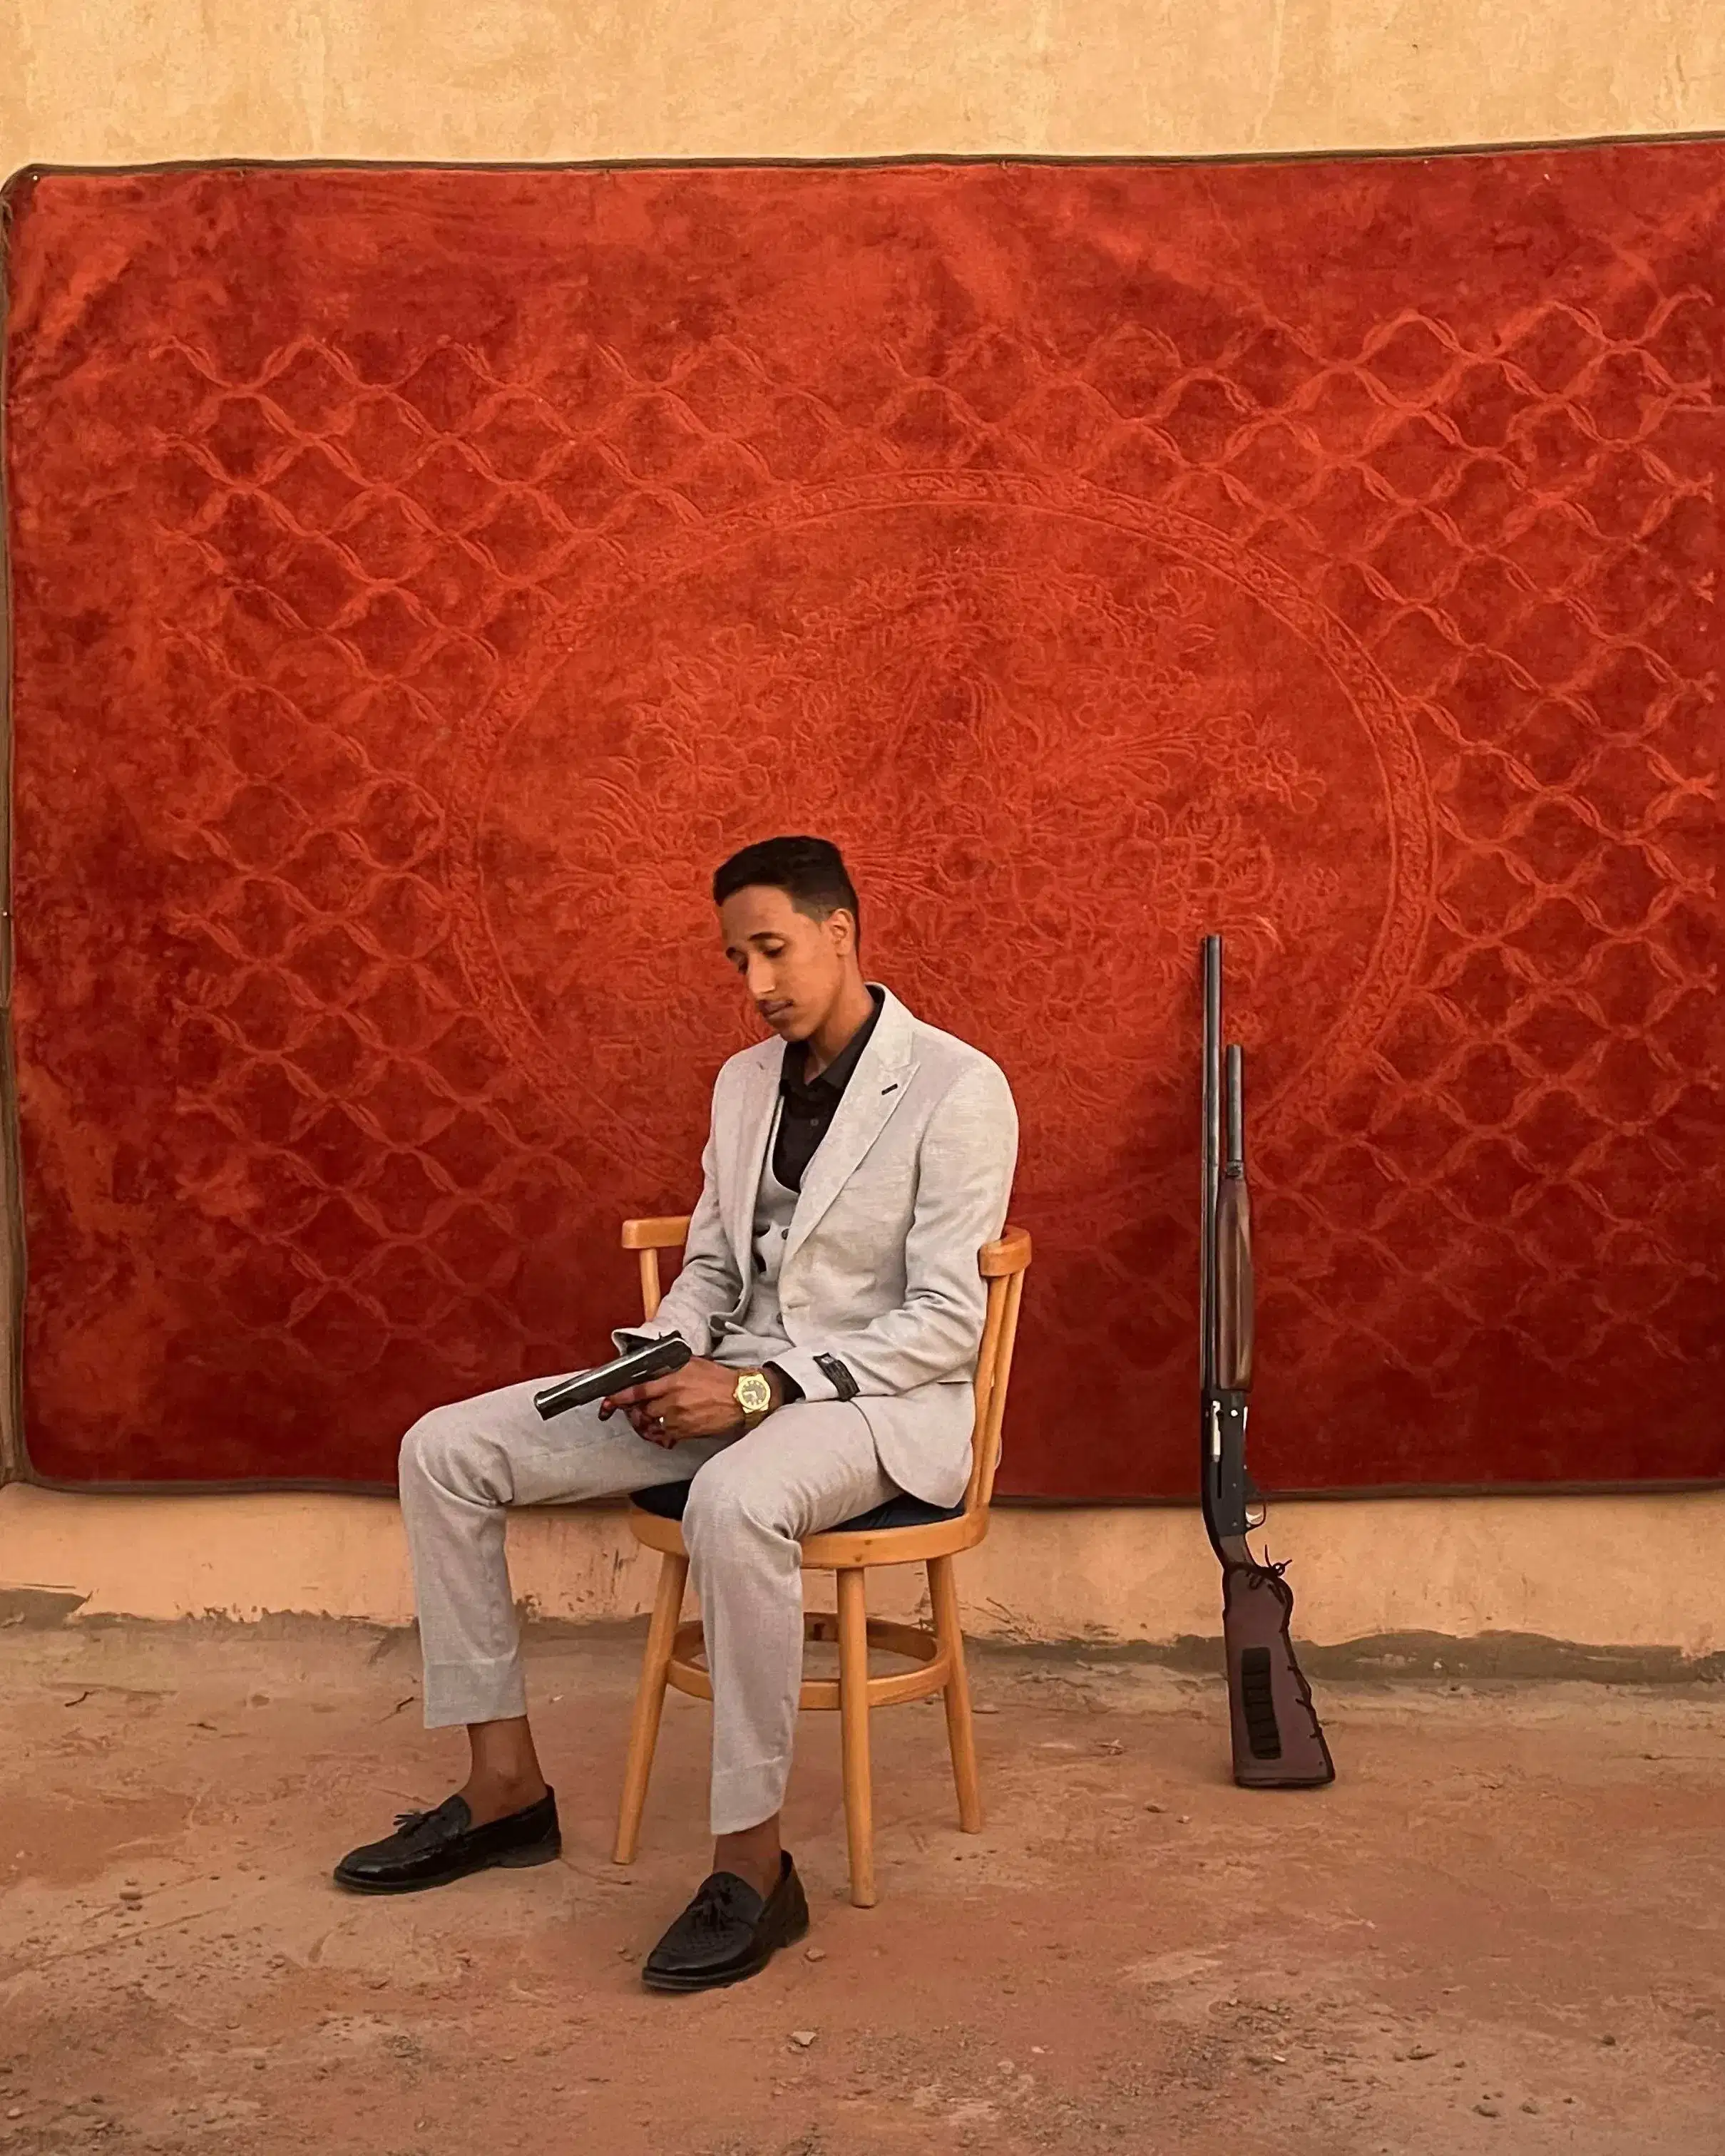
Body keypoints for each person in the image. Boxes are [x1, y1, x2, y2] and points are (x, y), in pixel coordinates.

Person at [334, 835, 1019, 1990]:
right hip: (727, 1379)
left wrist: (758, 1386)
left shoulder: (958, 1086)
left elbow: (948, 1321)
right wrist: (662, 1359)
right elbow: (708, 1269)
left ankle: (753, 1865)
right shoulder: (743, 1082)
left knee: (737, 1499)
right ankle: (504, 1790)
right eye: (735, 960)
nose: (755, 984)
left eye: (773, 950)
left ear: (840, 932)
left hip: (869, 1404)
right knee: (444, 1448)